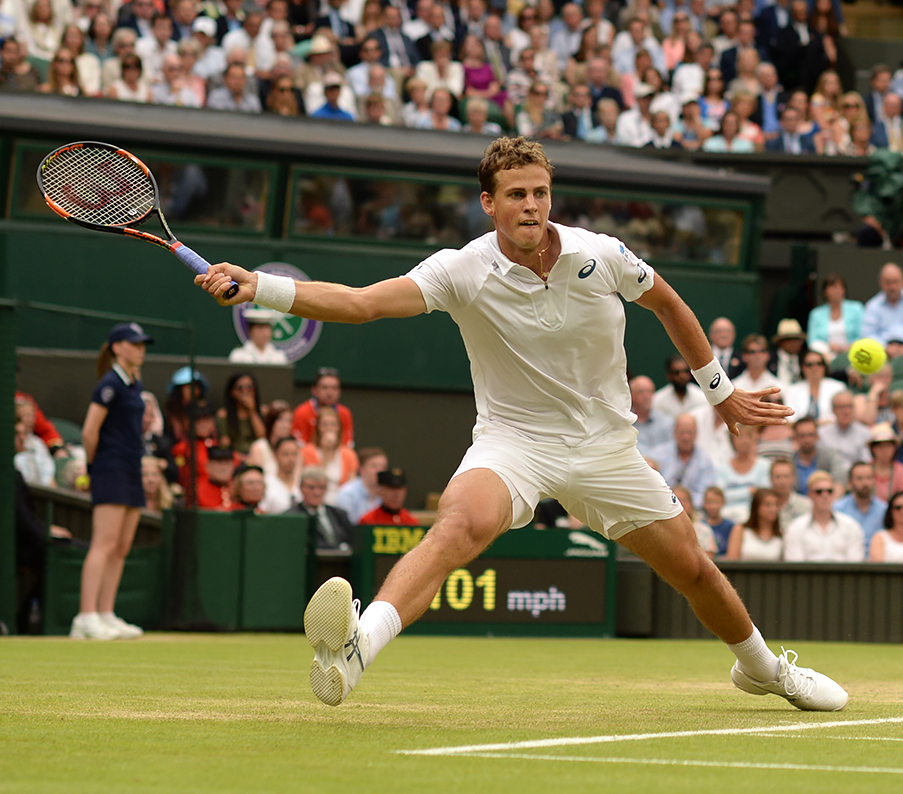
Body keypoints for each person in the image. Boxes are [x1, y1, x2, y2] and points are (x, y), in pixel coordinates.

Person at [196, 137, 842, 710]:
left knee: (693, 569)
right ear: (489, 203)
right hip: (514, 443)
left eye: (540, 193)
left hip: (605, 447)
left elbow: (669, 304)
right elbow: (362, 304)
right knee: (457, 526)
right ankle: (358, 648)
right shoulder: (462, 269)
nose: (531, 206)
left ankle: (763, 670)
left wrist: (721, 393)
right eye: (516, 195)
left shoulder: (601, 254)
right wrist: (261, 287)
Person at [73, 323, 153, 640]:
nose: (140, 350)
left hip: (132, 467)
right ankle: (85, 616)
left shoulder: (134, 383)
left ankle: (106, 613)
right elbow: (89, 432)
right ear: (117, 348)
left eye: (143, 345)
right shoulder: (109, 383)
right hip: (110, 467)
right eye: (134, 344)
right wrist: (94, 467)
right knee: (104, 544)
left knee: (121, 547)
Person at [782, 472, 864, 562]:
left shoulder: (851, 526)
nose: (825, 495)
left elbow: (855, 565)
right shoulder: (796, 528)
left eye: (829, 491)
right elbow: (795, 566)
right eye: (819, 492)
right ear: (810, 495)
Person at [649, 412, 717, 508]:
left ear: (696, 434)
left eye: (690, 433)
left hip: (694, 510)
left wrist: (686, 503)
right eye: (682, 433)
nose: (686, 437)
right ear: (674, 432)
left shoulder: (705, 461)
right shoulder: (657, 455)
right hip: (662, 507)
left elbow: (705, 494)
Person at [715, 424, 769, 522]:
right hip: (727, 517)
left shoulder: (765, 466)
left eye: (748, 436)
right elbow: (719, 496)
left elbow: (763, 495)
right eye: (739, 437)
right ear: (732, 440)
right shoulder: (722, 469)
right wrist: (748, 492)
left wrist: (732, 494)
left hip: (755, 518)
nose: (744, 441)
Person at [292, 468, 355, 550]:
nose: (317, 493)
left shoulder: (339, 515)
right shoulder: (293, 517)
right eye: (311, 488)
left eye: (321, 487)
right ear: (301, 488)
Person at [299, 405, 359, 490]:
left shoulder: (349, 454)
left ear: (339, 428)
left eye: (333, 424)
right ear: (318, 427)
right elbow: (313, 480)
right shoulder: (306, 451)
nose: (329, 428)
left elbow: (351, 485)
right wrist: (326, 452)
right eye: (325, 424)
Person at [806, 273, 864, 360]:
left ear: (844, 290)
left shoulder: (857, 309)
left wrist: (848, 347)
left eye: (839, 287)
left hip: (853, 355)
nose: (836, 291)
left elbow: (864, 334)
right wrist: (827, 348)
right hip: (826, 357)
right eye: (832, 287)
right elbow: (812, 341)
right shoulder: (816, 314)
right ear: (825, 291)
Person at [292, 368, 353, 447]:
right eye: (324, 387)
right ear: (314, 390)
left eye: (334, 388)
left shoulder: (345, 413)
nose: (329, 392)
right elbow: (300, 446)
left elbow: (347, 445)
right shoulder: (302, 412)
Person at [834, 463, 886, 552]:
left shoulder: (883, 510)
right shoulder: (838, 509)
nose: (865, 483)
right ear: (850, 483)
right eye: (859, 479)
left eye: (869, 478)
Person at [784, 352, 846, 424]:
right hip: (801, 429)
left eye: (819, 364)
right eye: (809, 365)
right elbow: (790, 418)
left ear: (824, 367)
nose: (814, 368)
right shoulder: (792, 390)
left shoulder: (838, 387)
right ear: (803, 368)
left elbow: (841, 414)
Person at [724, 488, 784, 561]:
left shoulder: (781, 535)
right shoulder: (741, 530)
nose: (773, 509)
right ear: (756, 507)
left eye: (776, 505)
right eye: (767, 505)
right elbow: (732, 560)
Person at [818, 392, 870, 473]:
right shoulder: (822, 433)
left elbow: (866, 461)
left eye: (849, 407)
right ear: (833, 410)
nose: (846, 411)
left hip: (856, 477)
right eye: (841, 407)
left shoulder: (865, 433)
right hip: (830, 475)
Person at [333, 447, 388, 523]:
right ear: (361, 469)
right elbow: (344, 526)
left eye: (383, 467)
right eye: (374, 466)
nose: (379, 471)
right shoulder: (348, 494)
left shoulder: (387, 494)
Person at [653, 355, 710, 420]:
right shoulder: (658, 400)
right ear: (669, 375)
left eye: (685, 371)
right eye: (677, 372)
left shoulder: (701, 397)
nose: (682, 376)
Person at [630, 375, 674, 454]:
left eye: (649, 391)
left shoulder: (667, 423)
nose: (646, 396)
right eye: (641, 392)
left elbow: (673, 451)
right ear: (631, 395)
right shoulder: (625, 424)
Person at [259, 436, 302, 515]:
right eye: (285, 454)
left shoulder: (304, 482)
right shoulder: (266, 483)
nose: (291, 459)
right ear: (275, 455)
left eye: (294, 454)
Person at [769, 459, 812, 530]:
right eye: (777, 477)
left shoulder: (806, 506)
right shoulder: (763, 506)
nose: (782, 482)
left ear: (793, 479)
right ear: (770, 479)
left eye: (786, 476)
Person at [699, 486, 734, 557]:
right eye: (709, 502)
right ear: (704, 504)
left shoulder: (730, 526)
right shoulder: (698, 526)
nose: (713, 506)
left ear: (723, 502)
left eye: (716, 502)